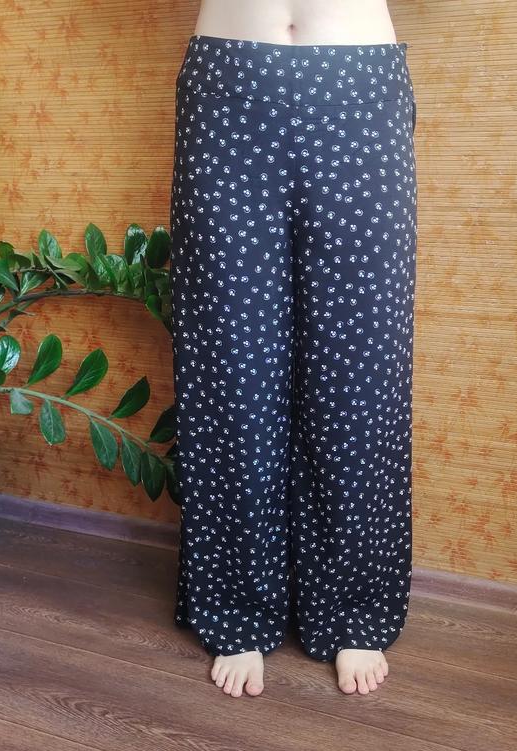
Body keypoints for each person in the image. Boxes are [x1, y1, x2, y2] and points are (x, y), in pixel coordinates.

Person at [169, 0, 418, 698]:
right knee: (229, 362)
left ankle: (353, 603)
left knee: (361, 366)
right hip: (228, 87)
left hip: (358, 86)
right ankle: (235, 602)